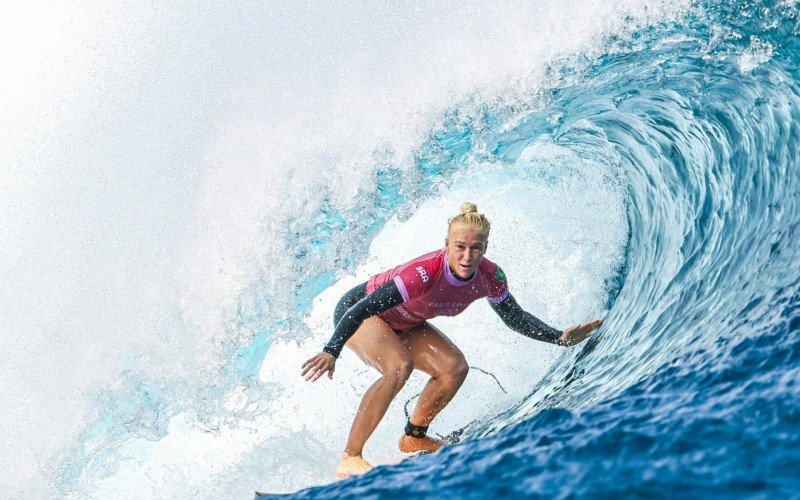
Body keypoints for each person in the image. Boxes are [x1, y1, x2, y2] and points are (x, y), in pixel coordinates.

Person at [301, 202, 603, 479]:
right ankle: (351, 455)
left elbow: (514, 317)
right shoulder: (423, 273)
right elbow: (362, 307)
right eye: (459, 247)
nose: (467, 256)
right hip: (359, 311)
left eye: (476, 248)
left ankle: (414, 436)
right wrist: (331, 350)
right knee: (399, 366)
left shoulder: (490, 276)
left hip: (406, 321)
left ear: (485, 248)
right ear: (446, 245)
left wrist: (560, 338)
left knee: (454, 367)